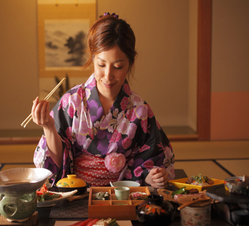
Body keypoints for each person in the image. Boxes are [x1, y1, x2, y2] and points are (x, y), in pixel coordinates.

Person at [32, 12, 175, 188]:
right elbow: (57, 164)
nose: (108, 76)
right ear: (92, 58)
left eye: (118, 66)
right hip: (76, 194)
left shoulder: (140, 110)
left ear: (130, 62)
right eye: (101, 65)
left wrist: (151, 177)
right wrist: (48, 127)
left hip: (120, 196)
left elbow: (153, 159)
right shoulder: (71, 102)